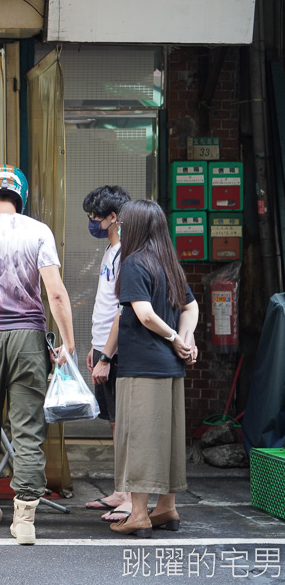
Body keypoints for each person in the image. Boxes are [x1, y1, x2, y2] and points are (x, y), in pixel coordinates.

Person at [0, 165, 75, 545]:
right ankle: (24, 520)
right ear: (20, 195)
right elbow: (54, 292)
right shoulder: (38, 231)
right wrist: (67, 344)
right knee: (27, 428)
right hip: (28, 337)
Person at [109, 199, 198, 538]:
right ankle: (166, 508)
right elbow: (191, 306)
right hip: (171, 368)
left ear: (133, 228)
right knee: (168, 437)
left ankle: (140, 515)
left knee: (140, 439)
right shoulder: (169, 263)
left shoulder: (134, 263)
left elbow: (144, 315)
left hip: (142, 366)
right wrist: (186, 339)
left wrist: (177, 337)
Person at [81, 185, 133, 522]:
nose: (92, 222)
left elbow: (122, 311)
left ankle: (131, 496)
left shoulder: (126, 252)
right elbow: (104, 305)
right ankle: (120, 491)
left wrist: (106, 356)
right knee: (114, 423)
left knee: (125, 424)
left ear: (113, 217)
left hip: (116, 353)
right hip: (103, 347)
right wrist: (95, 346)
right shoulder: (110, 251)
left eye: (94, 217)